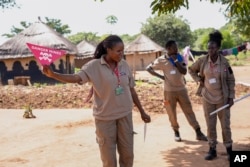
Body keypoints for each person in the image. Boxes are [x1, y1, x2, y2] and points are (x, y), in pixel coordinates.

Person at [42, 35, 151, 167]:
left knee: (128, 156)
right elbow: (76, 78)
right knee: (108, 160)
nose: (121, 54)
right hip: (105, 119)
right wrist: (54, 75)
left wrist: (142, 112)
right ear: (108, 50)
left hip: (125, 116)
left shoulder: (124, 65)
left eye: (123, 50)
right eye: (118, 51)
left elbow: (132, 90)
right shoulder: (93, 66)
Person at [146, 40, 207, 142]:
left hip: (182, 90)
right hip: (169, 91)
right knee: (171, 113)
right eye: (174, 48)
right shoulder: (161, 60)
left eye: (177, 47)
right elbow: (148, 68)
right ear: (168, 49)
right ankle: (176, 132)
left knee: (189, 111)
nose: (177, 49)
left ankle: (198, 132)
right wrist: (161, 77)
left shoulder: (180, 57)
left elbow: (184, 71)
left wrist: (175, 61)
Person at [188, 30, 235, 161]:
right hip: (208, 98)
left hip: (223, 99)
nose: (210, 50)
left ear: (218, 48)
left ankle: (229, 149)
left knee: (225, 125)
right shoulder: (202, 61)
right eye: (208, 48)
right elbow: (191, 70)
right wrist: (198, 80)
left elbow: (231, 80)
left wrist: (231, 97)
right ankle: (212, 149)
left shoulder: (225, 63)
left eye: (213, 48)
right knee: (210, 125)